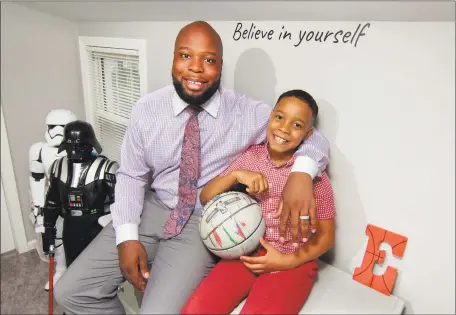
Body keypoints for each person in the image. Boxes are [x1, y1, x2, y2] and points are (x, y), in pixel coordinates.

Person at [54, 21, 330, 314]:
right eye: (185, 56)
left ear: (220, 66)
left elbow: (314, 137)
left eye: (208, 60)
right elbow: (131, 176)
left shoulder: (248, 113)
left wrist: (301, 174)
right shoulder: (146, 110)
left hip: (202, 223)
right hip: (153, 207)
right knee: (69, 292)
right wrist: (127, 237)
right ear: (173, 59)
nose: (196, 68)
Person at [182, 89, 336, 315]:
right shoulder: (251, 157)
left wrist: (286, 262)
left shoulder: (314, 178)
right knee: (194, 311)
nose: (284, 128)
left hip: (292, 261)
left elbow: (327, 236)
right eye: (280, 117)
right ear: (270, 116)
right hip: (248, 251)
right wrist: (236, 175)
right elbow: (206, 196)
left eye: (297, 125)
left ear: (308, 134)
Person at [42, 120, 118, 267]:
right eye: (70, 147)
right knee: (73, 266)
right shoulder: (58, 167)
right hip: (71, 226)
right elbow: (52, 202)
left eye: (79, 146)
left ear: (90, 145)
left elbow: (120, 206)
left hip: (97, 225)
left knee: (99, 269)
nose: (74, 151)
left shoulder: (107, 168)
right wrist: (48, 228)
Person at [28, 109, 77, 290]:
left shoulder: (80, 146)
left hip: (79, 198)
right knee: (56, 236)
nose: (56, 131)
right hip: (55, 198)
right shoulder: (39, 150)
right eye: (52, 127)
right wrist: (39, 213)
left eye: (61, 127)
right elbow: (37, 181)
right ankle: (61, 269)